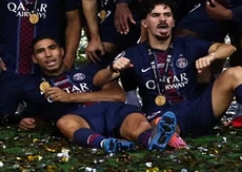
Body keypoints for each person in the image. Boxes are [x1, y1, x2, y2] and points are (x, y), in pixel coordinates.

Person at [94, 0, 242, 143]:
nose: (162, 20)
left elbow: (229, 48)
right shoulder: (135, 53)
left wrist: (211, 56)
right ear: (145, 23)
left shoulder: (187, 43)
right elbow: (98, 80)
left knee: (235, 72)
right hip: (162, 114)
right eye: (155, 15)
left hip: (197, 109)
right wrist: (112, 68)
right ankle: (169, 138)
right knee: (162, 122)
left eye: (167, 15)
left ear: (173, 22)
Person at [25, 36, 177, 153]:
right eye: (40, 51)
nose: (48, 54)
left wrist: (69, 97)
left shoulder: (89, 71)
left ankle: (151, 140)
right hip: (80, 119)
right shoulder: (34, 88)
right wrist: (30, 122)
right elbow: (40, 117)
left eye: (52, 48)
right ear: (34, 59)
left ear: (62, 51)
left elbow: (117, 95)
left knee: (137, 121)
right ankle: (106, 144)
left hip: (113, 111)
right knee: (65, 122)